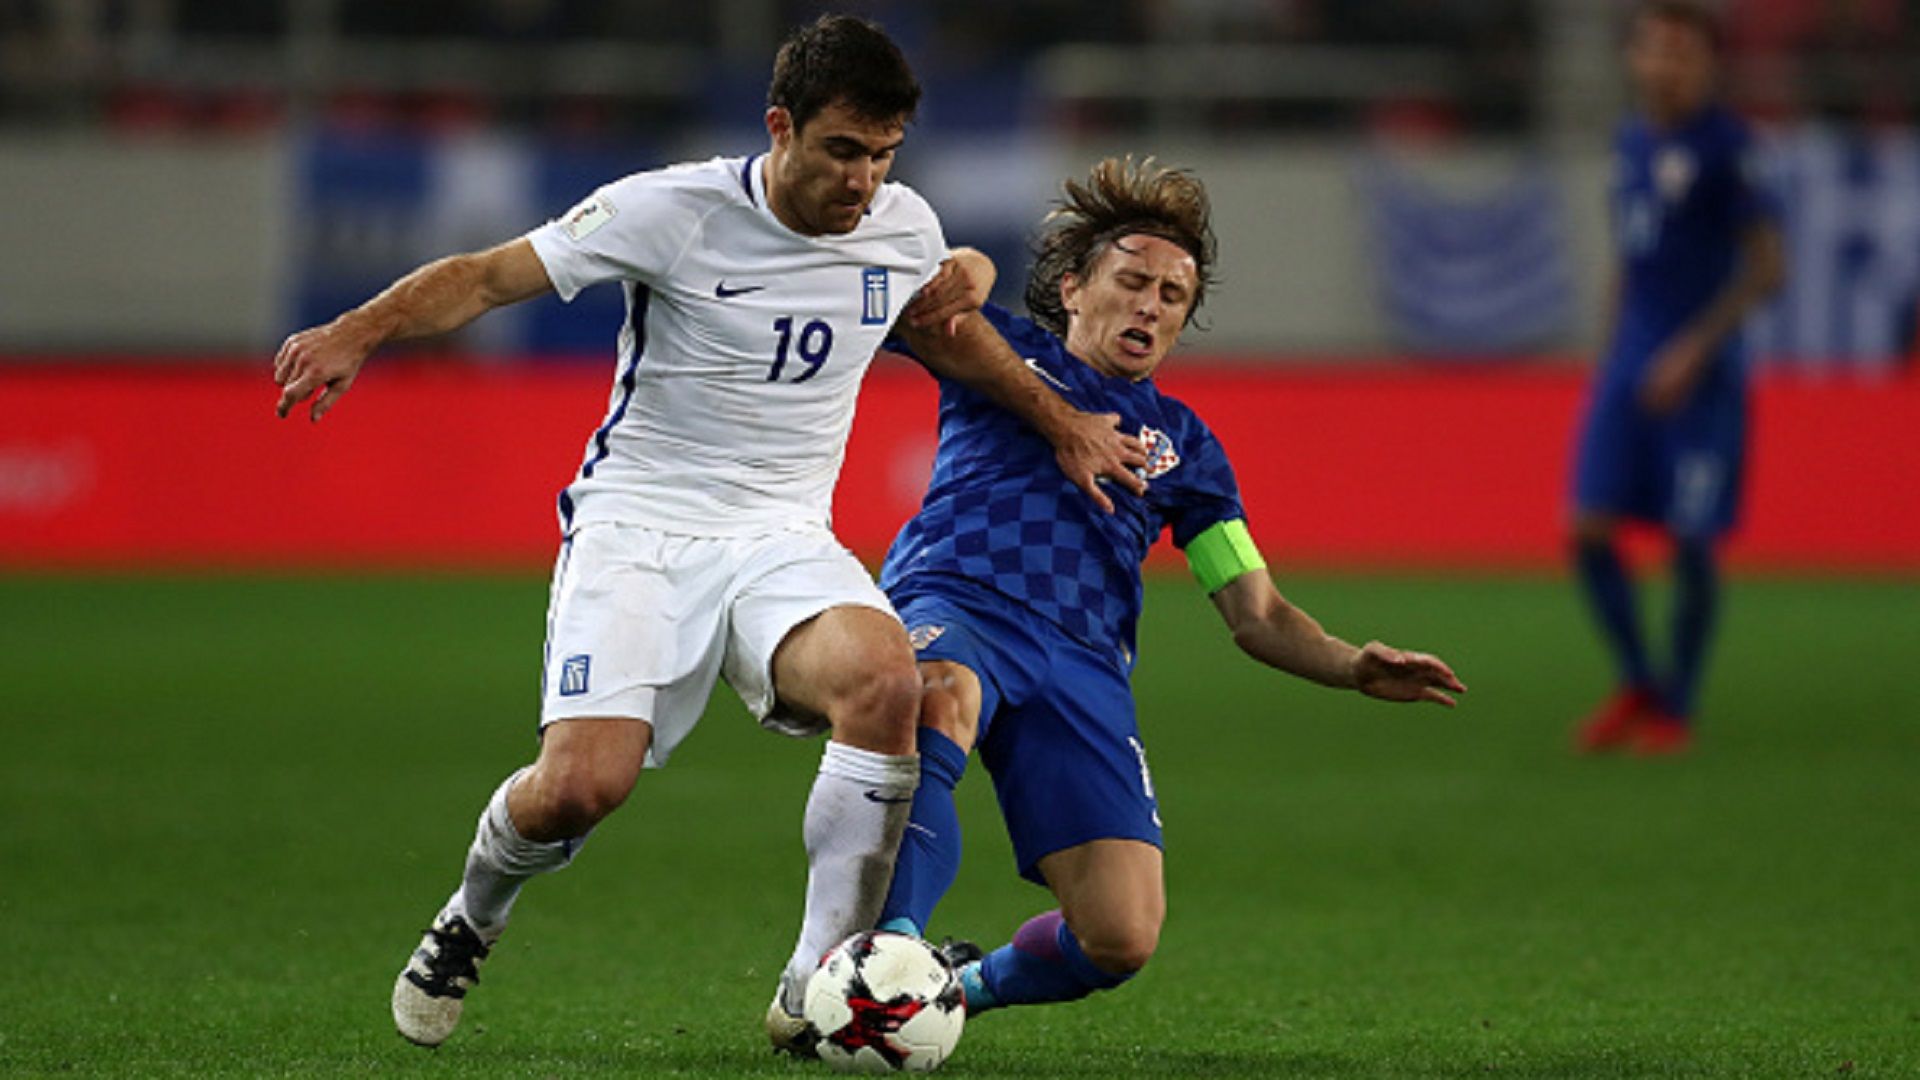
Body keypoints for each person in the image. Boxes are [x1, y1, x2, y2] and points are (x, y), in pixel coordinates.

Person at [269, 14, 1146, 1052]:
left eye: (881, 155)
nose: (862, 179)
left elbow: (950, 338)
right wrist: (355, 331)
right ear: (780, 127)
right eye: (840, 151)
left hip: (781, 534)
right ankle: (473, 915)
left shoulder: (902, 226)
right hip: (641, 525)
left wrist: (1064, 423)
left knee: (887, 682)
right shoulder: (670, 210)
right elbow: (490, 275)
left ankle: (810, 986)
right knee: (579, 789)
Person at [866, 157, 1466, 1020]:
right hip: (960, 601)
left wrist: (1349, 665)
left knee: (1120, 934)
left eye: (1173, 296)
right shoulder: (1006, 353)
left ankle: (949, 992)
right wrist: (974, 262)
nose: (1150, 304)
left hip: (1082, 662)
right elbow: (927, 297)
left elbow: (1255, 613)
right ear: (1073, 289)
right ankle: (882, 956)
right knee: (937, 695)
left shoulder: (1189, 448)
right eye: (1132, 281)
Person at [1570, 0, 1784, 756]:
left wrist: (1693, 349)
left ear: (1707, 64)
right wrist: (1611, 353)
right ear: (1635, 58)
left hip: (1705, 374)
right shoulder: (1630, 140)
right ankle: (1640, 682)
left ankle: (1678, 706)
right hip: (1630, 364)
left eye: (1682, 53)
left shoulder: (1732, 147)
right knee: (1588, 528)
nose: (1666, 65)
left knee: (1691, 539)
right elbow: (1633, 260)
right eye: (1655, 50)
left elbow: (1768, 267)